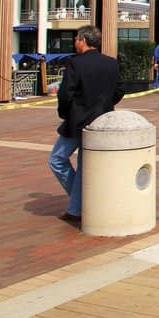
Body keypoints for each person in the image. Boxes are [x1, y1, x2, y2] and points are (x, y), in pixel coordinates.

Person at [48, 25, 125, 224]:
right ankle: (77, 207)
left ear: (83, 40)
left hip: (76, 120)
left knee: (57, 159)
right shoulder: (111, 63)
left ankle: (80, 202)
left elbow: (65, 94)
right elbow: (119, 91)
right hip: (101, 120)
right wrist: (105, 107)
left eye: (76, 39)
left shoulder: (75, 63)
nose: (75, 43)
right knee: (84, 165)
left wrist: (66, 112)